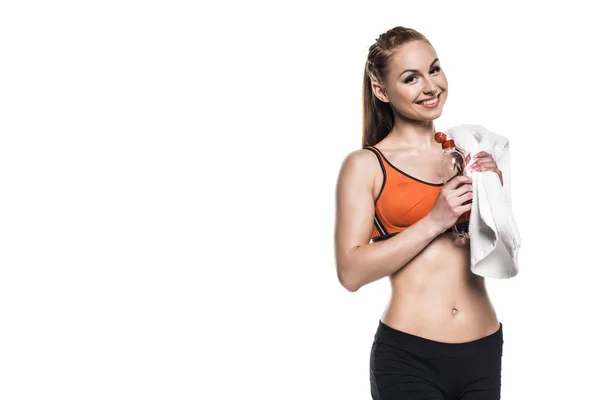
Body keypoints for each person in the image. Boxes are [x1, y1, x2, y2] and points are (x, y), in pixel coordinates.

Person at [334, 26, 506, 400]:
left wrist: (494, 194)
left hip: (484, 349)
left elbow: (497, 245)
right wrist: (434, 220)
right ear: (381, 90)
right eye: (411, 78)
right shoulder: (366, 165)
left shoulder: (465, 148)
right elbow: (350, 272)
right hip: (410, 357)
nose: (430, 86)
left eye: (434, 69)